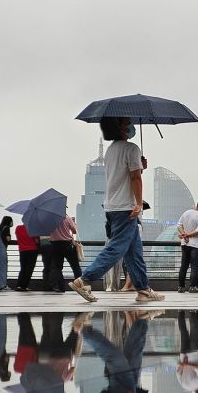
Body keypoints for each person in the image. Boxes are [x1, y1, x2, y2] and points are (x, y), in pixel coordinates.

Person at [69, 117, 163, 303]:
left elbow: (124, 175)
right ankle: (84, 280)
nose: (131, 126)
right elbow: (135, 178)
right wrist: (138, 204)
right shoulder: (131, 148)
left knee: (134, 252)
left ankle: (143, 289)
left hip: (112, 206)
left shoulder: (111, 150)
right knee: (116, 248)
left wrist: (140, 166)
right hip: (126, 207)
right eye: (127, 123)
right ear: (120, 127)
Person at [176, 197, 198, 293]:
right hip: (196, 245)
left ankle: (181, 287)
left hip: (184, 244)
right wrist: (187, 235)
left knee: (184, 266)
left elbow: (179, 225)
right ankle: (193, 286)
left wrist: (184, 234)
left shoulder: (186, 212)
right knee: (195, 267)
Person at [45, 211, 80, 293]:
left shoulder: (50, 220)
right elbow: (74, 231)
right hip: (67, 244)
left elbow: (46, 231)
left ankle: (61, 287)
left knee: (57, 267)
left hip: (55, 245)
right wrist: (73, 225)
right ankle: (80, 285)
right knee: (75, 265)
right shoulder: (67, 218)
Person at [13, 222, 38, 292]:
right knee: (29, 269)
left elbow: (18, 237)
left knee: (23, 268)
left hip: (22, 250)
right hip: (32, 250)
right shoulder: (32, 229)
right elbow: (36, 240)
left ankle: (19, 285)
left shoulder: (18, 228)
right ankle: (24, 286)